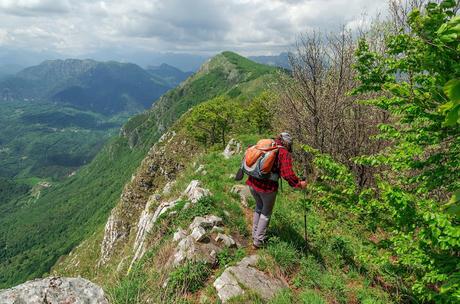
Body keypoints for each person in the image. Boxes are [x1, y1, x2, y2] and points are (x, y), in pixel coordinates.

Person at [246, 132, 306, 249]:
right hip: (267, 188)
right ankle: (258, 242)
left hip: (252, 183)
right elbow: (288, 174)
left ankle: (255, 235)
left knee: (258, 208)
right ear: (288, 143)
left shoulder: (268, 145)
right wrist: (299, 184)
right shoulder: (283, 152)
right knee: (266, 213)